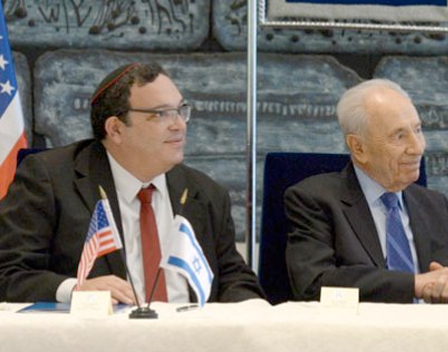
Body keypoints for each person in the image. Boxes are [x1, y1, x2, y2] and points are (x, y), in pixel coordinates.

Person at [0, 62, 265, 304]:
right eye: (161, 114)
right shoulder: (51, 179)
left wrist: (253, 309)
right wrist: (75, 290)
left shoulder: (203, 192)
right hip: (94, 345)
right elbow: (8, 275)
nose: (179, 125)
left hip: (190, 344)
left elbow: (233, 278)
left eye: (181, 111)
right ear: (115, 129)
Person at [285, 78, 448, 304]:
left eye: (418, 130)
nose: (418, 148)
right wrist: (415, 284)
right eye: (400, 136)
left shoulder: (434, 206)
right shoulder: (316, 200)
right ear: (358, 147)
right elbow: (315, 285)